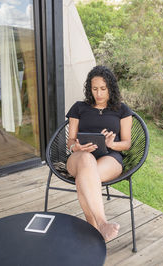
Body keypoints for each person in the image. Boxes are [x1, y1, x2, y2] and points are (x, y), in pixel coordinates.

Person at [65, 65, 133, 242]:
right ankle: (102, 223)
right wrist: (76, 148)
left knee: (84, 178)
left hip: (110, 157)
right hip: (79, 157)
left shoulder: (122, 110)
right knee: (86, 162)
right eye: (94, 89)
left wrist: (112, 143)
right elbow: (70, 141)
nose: (99, 94)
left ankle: (93, 229)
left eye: (103, 89)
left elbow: (127, 143)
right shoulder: (79, 108)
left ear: (111, 88)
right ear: (90, 89)